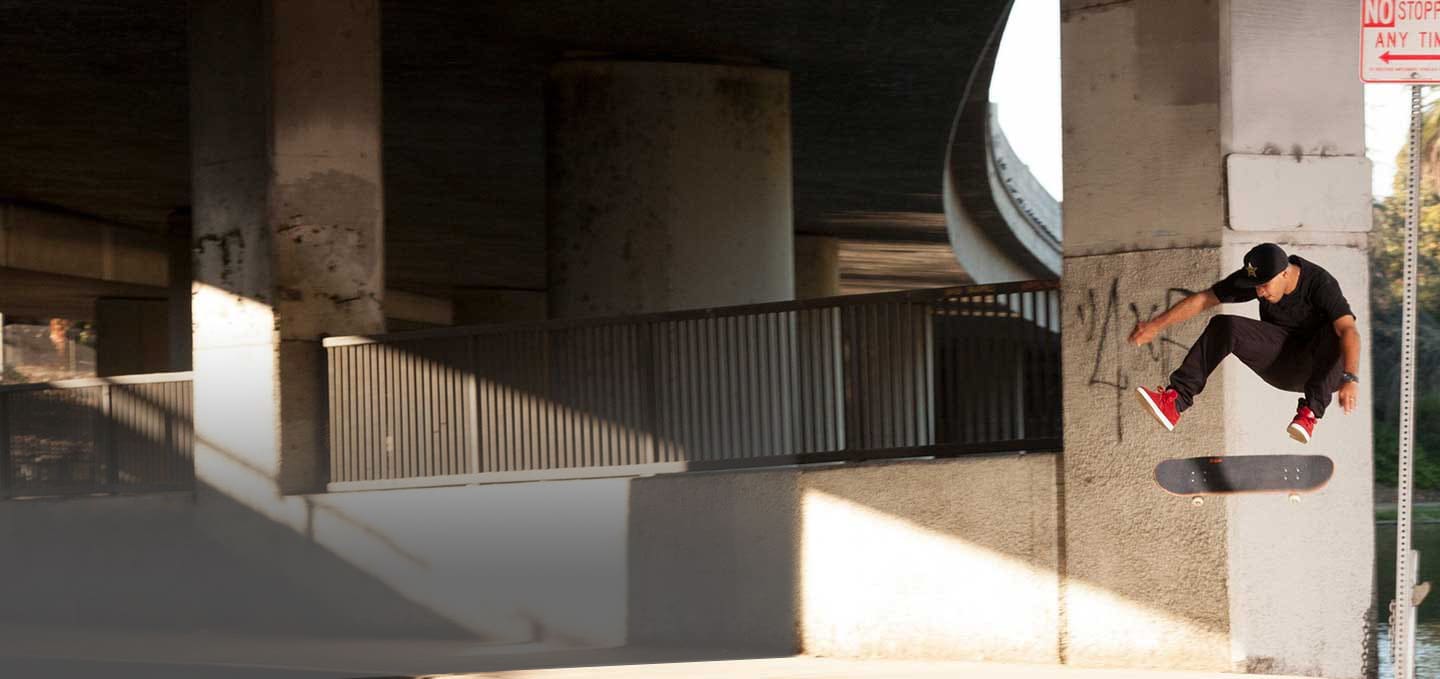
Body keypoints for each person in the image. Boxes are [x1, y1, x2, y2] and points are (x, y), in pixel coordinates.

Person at [1129, 242, 1360, 443]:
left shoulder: (1320, 284)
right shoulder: (1258, 280)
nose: (1260, 293)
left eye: (1265, 286)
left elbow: (1350, 331)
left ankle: (1310, 414)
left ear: (1285, 274)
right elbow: (1204, 299)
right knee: (1224, 326)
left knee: (1336, 330)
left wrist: (1351, 378)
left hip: (1326, 369)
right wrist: (1155, 325)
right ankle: (1175, 400)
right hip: (1283, 362)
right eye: (1256, 287)